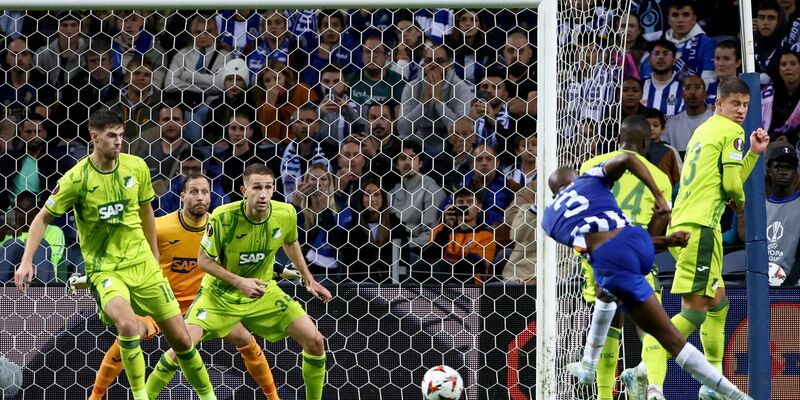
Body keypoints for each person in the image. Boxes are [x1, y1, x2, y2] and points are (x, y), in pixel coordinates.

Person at [13, 110, 216, 400]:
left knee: (183, 341)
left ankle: (208, 396)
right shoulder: (76, 179)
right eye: (112, 135)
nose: (119, 141)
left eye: (121, 135)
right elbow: (42, 219)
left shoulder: (136, 167)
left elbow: (147, 212)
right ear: (94, 137)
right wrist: (27, 260)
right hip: (105, 268)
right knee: (127, 324)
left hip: (143, 265)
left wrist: (154, 256)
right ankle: (139, 396)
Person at [541, 134, 752, 400]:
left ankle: (733, 396)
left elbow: (595, 246)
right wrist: (660, 206)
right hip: (639, 242)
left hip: (610, 257)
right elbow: (628, 159)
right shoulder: (589, 179)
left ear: (553, 194)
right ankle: (597, 369)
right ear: (575, 177)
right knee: (611, 295)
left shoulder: (549, 219)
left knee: (661, 332)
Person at [144, 164, 332, 400]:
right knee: (180, 348)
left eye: (268, 187)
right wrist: (240, 282)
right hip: (219, 296)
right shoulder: (224, 217)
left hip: (263, 293)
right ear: (244, 190)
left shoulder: (286, 213)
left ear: (274, 189)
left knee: (315, 340)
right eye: (256, 188)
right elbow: (203, 261)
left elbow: (291, 241)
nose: (263, 194)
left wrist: (309, 279)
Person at [87, 174, 280, 400]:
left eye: (205, 192)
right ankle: (95, 397)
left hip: (204, 306)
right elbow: (127, 255)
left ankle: (273, 397)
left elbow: (246, 260)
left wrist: (283, 271)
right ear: (182, 196)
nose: (200, 197)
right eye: (194, 192)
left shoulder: (221, 227)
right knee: (128, 337)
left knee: (245, 339)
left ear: (211, 196)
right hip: (161, 303)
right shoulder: (160, 228)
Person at [639, 78, 770, 400]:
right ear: (720, 103)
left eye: (745, 105)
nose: (740, 111)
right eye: (735, 104)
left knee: (719, 303)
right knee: (694, 311)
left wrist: (752, 154)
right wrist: (740, 198)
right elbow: (732, 184)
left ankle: (711, 383)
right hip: (702, 227)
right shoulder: (731, 132)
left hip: (684, 220)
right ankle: (647, 368)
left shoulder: (704, 130)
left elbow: (719, 176)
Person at [577, 115, 673, 400]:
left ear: (619, 138)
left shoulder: (591, 166)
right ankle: (655, 388)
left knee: (610, 321)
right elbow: (658, 233)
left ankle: (605, 395)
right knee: (650, 325)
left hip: (596, 252)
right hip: (633, 252)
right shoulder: (659, 178)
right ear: (646, 142)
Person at [425, 188, 496, 284]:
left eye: (470, 202)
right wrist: (447, 228)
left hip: (470, 283)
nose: (465, 205)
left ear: (479, 207)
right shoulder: (440, 230)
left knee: (443, 266)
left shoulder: (486, 235)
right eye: (460, 202)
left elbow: (474, 264)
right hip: (438, 277)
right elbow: (427, 258)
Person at [765, 144, 800, 286]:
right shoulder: (760, 208)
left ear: (795, 173)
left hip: (794, 285)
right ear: (769, 171)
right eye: (778, 167)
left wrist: (788, 284)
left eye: (789, 168)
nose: (783, 172)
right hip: (763, 283)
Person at [663, 74, 713, 157]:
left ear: (705, 93)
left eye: (697, 87)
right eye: (688, 88)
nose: (692, 92)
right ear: (682, 94)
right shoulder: (671, 125)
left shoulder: (715, 121)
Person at [642, 39, 685, 118]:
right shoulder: (640, 87)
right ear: (649, 60)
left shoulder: (684, 89)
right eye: (656, 53)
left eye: (666, 53)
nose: (661, 57)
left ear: (674, 60)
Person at [643, 108, 683, 186]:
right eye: (647, 125)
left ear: (663, 129)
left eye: (655, 125)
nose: (651, 128)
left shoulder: (670, 151)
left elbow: (679, 178)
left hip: (665, 195)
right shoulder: (637, 149)